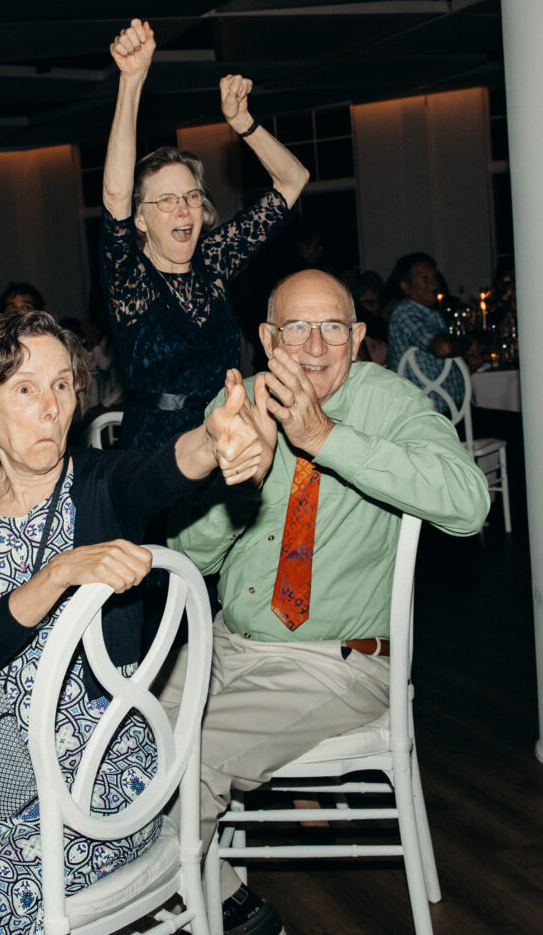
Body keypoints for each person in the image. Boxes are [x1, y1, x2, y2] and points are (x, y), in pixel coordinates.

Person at [0, 310, 268, 935]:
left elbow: (161, 471)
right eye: (24, 389)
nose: (49, 407)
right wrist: (57, 573)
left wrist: (211, 443)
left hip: (100, 782)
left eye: (61, 385)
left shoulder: (103, 483)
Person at [161, 269, 490, 935]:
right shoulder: (239, 404)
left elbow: (468, 504)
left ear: (357, 336)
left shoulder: (390, 403)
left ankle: (187, 911)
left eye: (332, 327)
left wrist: (324, 440)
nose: (314, 346)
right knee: (117, 740)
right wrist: (231, 486)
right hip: (226, 643)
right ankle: (225, 899)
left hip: (336, 664)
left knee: (185, 764)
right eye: (296, 328)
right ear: (267, 339)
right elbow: (189, 556)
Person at [101, 17, 310, 452]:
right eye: (166, 200)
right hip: (155, 454)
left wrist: (242, 121)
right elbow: (116, 193)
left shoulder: (212, 261)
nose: (183, 209)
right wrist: (132, 81)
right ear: (140, 220)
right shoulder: (129, 279)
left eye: (191, 196)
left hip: (225, 444)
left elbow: (293, 180)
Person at [387, 252, 478, 413]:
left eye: (434, 276)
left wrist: (468, 361)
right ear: (406, 287)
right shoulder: (405, 314)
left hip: (454, 410)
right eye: (425, 278)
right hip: (434, 416)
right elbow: (444, 347)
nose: (434, 283)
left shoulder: (430, 313)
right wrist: (467, 344)